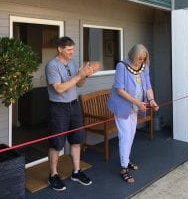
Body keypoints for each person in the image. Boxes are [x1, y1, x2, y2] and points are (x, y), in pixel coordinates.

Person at [45, 36, 100, 191]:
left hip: (74, 106)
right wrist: (78, 75)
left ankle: (76, 172)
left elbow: (79, 84)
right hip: (58, 108)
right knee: (56, 144)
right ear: (59, 49)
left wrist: (86, 75)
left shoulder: (72, 63)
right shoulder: (52, 66)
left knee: (76, 140)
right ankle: (53, 175)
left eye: (73, 49)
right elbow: (59, 88)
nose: (72, 52)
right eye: (69, 49)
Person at [107, 44, 159, 183]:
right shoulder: (122, 66)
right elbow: (119, 89)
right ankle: (123, 168)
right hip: (122, 106)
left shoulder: (144, 68)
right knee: (125, 135)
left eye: (143, 59)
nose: (140, 61)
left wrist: (152, 100)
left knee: (132, 134)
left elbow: (147, 86)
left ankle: (126, 158)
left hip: (135, 107)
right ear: (133, 55)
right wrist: (137, 102)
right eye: (139, 58)